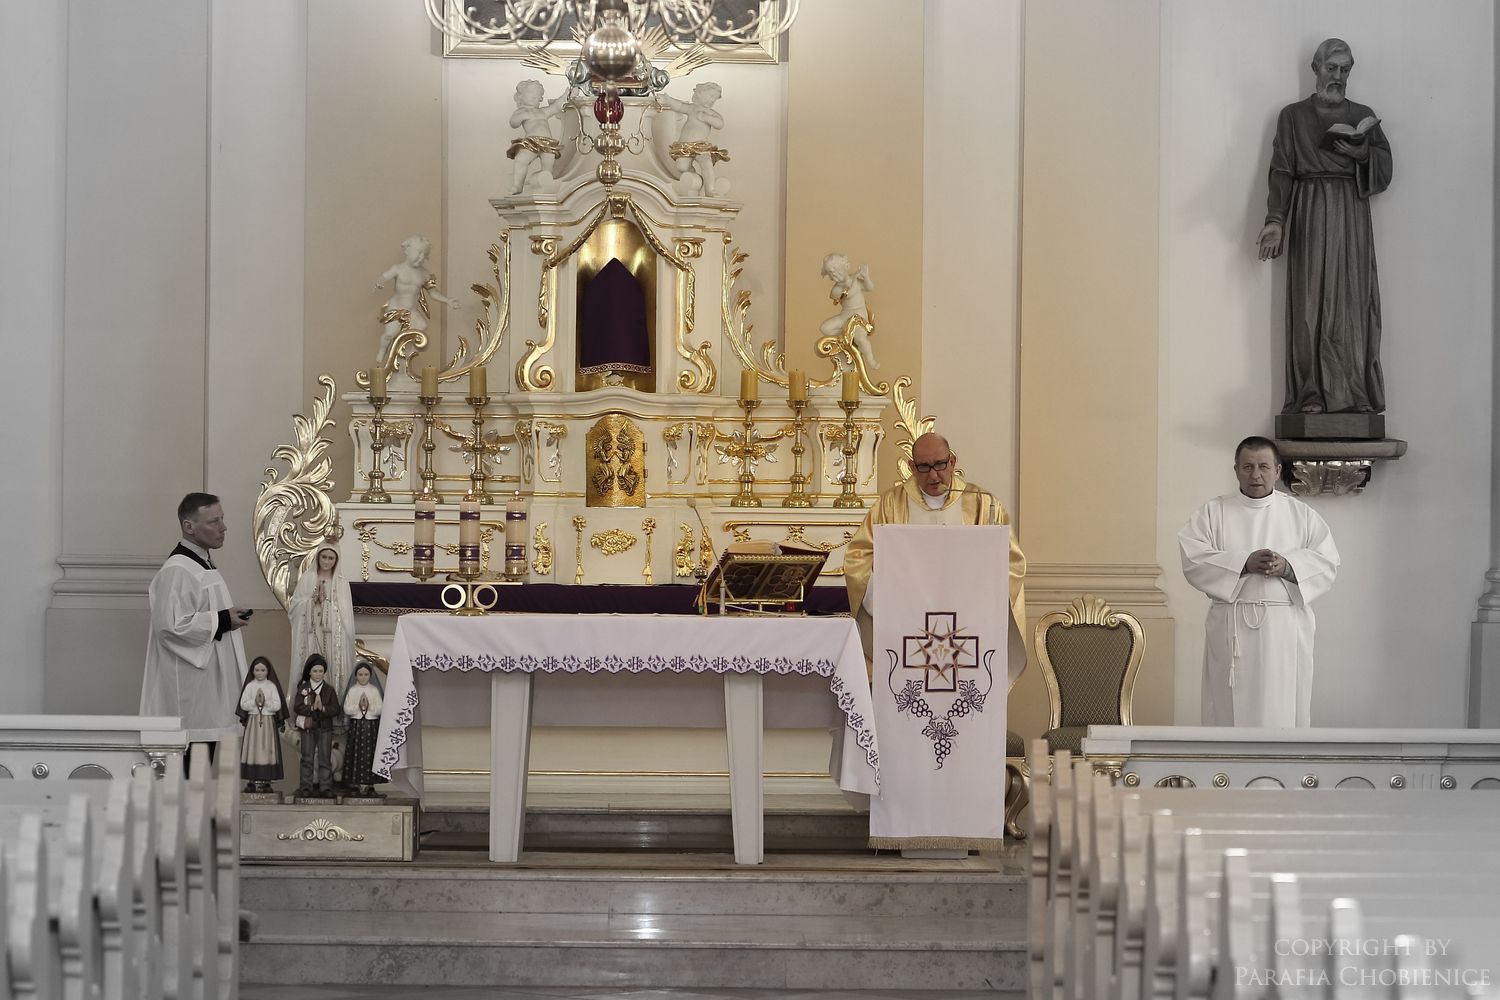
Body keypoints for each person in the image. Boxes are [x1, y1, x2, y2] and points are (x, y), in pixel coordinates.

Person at [1258, 38, 1392, 416]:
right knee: (1309, 302)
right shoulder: (1293, 116)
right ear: (1315, 68)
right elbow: (1282, 170)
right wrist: (1275, 220)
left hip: (1352, 210)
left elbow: (1384, 169)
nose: (1338, 76)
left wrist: (1363, 154)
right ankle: (1310, 393)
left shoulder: (1363, 114)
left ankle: (1354, 391)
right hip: (1311, 209)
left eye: (1345, 69)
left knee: (1352, 301)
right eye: (1331, 67)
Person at [1178, 436, 1341, 727]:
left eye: (1264, 466)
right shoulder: (1214, 512)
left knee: (1282, 708)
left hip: (1285, 629)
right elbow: (1193, 558)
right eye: (1248, 467)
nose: (1256, 475)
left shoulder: (1301, 514)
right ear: (1236, 470)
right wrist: (1243, 564)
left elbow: (1327, 562)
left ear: (1277, 470)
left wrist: (1288, 566)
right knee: (1229, 710)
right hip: (1232, 629)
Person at [843, 432, 1027, 683]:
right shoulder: (889, 505)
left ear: (952, 461)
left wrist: (985, 599)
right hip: (906, 627)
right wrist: (884, 600)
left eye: (940, 465)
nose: (933, 475)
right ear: (911, 467)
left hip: (968, 626)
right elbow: (859, 559)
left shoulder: (983, 504)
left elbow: (1011, 562)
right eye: (923, 467)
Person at [140, 492, 251, 749]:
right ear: (189, 527)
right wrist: (222, 619)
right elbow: (170, 627)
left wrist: (227, 617)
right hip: (191, 696)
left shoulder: (203, 563)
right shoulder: (178, 570)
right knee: (192, 764)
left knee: (206, 763)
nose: (223, 527)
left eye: (222, 519)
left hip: (209, 691)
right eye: (214, 521)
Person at [373, 235, 459, 365]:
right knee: (390, 334)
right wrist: (379, 283)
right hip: (396, 309)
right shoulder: (398, 269)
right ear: (407, 251)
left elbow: (433, 293)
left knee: (421, 326)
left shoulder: (425, 274)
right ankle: (382, 350)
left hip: (412, 311)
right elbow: (384, 277)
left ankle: (407, 355)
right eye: (418, 253)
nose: (421, 258)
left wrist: (448, 300)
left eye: (424, 256)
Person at [288, 544, 357, 701]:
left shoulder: (341, 582)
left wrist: (327, 605)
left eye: (331, 558)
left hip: (333, 634)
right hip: (311, 633)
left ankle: (333, 704)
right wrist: (311, 602)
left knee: (332, 665)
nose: (326, 561)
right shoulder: (307, 578)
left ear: (336, 560)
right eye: (324, 557)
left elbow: (345, 615)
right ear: (318, 557)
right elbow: (294, 608)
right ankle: (307, 705)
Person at [659, 81, 729, 196]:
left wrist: (706, 118)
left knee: (707, 165)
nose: (712, 100)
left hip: (701, 146)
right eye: (711, 96)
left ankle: (710, 190)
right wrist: (668, 99)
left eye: (715, 98)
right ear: (700, 94)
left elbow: (720, 124)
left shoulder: (711, 113)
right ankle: (695, 180)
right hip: (684, 145)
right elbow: (680, 106)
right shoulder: (692, 108)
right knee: (681, 167)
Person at [236, 657, 289, 793]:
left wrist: (265, 702)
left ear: (268, 671)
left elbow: (277, 705)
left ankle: (266, 781)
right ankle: (251, 780)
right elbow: (243, 704)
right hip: (253, 722)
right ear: (253, 671)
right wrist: (254, 702)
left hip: (267, 722)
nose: (260, 673)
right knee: (252, 749)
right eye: (257, 670)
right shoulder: (250, 686)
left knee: (267, 749)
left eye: (263, 670)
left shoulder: (271, 686)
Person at [506, 79, 567, 196]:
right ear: (520, 96)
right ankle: (517, 185)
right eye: (530, 93)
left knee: (548, 164)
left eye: (537, 94)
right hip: (531, 142)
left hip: (548, 143)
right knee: (521, 160)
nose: (534, 96)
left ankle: (546, 185)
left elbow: (556, 107)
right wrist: (521, 115)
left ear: (540, 98)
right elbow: (513, 123)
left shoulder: (542, 111)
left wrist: (567, 94)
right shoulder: (521, 112)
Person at [292, 654, 342, 798]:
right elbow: (297, 707)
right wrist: (312, 708)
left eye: (320, 671)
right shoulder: (303, 689)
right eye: (315, 671)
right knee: (307, 758)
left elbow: (336, 708)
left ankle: (325, 787)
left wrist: (324, 709)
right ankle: (305, 786)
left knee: (325, 758)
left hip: (325, 728)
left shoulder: (329, 689)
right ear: (309, 672)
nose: (318, 674)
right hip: (308, 728)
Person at [819, 253, 879, 371]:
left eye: (838, 270)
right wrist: (853, 279)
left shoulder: (856, 280)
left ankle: (871, 359)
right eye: (832, 273)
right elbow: (847, 294)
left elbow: (869, 287)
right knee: (825, 328)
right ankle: (845, 340)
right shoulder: (836, 290)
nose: (836, 275)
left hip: (859, 316)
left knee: (860, 339)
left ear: (846, 267)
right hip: (845, 316)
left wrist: (866, 276)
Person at [340, 661, 386, 799]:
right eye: (360, 674)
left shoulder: (374, 690)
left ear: (370, 675)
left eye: (366, 674)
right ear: (356, 675)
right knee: (356, 753)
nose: (363, 677)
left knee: (370, 754)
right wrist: (359, 707)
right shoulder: (353, 690)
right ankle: (356, 784)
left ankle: (370, 785)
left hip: (371, 727)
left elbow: (381, 708)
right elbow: (347, 708)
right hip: (357, 726)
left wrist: (369, 707)